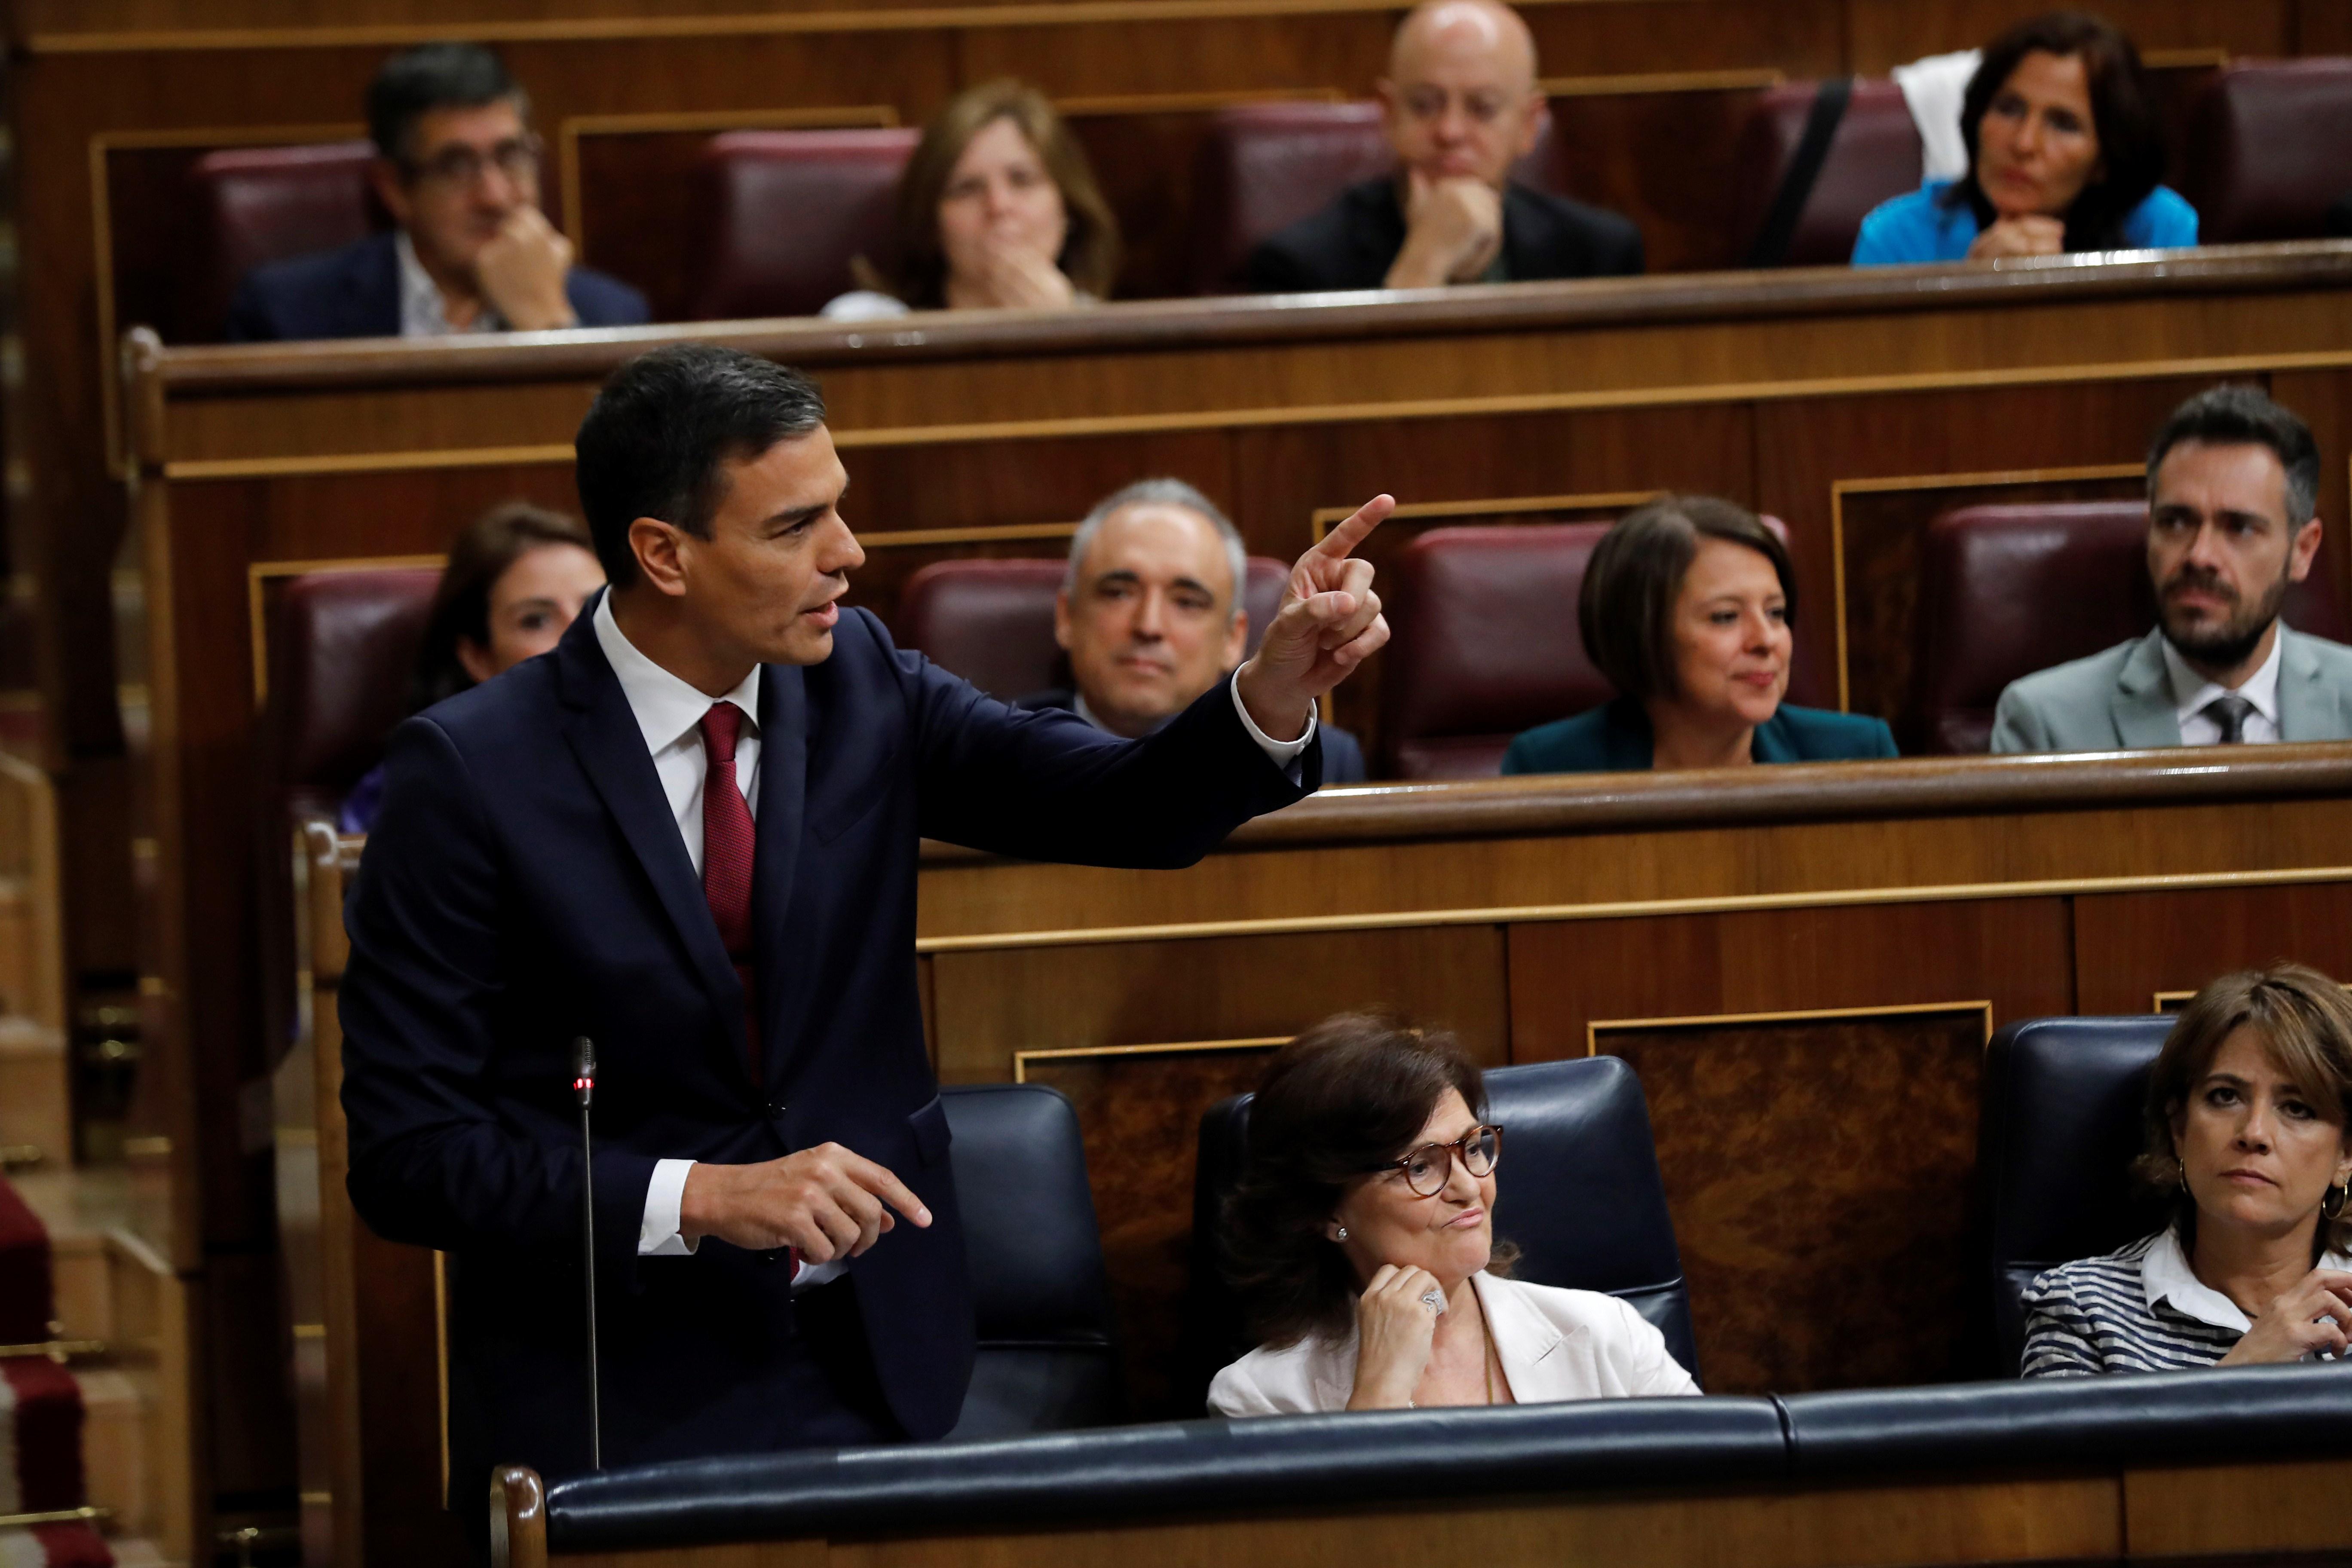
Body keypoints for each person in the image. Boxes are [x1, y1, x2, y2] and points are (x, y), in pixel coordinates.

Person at [337, 343, 1395, 1508]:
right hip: (615, 1385)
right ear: (663, 554)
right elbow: (409, 1159)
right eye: (797, 526)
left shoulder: (861, 684)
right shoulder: (470, 774)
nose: (849, 554)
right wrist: (698, 1195)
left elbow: (1127, 806)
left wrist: (1273, 692)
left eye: (838, 510)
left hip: (877, 1354)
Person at [1209, 1015, 1697, 1414]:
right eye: (1420, 1166)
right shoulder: (1261, 1399)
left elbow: (1719, 1508)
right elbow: (1339, 1539)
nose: (1469, 1187)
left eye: (1472, 1148)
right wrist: (1378, 1395)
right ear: (1323, 1208)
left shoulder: (1608, 1335)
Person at [2022, 964, 2352, 1375]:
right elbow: (2064, 1442)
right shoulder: (2082, 1310)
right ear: (2179, 1129)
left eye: (2297, 1108)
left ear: (2346, 1155)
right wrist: (2244, 1372)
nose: (2254, 1133)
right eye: (2225, 1096)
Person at [1992, 386, 2352, 752]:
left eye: (2240, 528)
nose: (2200, 556)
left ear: (2302, 551)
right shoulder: (2046, 724)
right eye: (2176, 523)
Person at [226, 43, 648, 341]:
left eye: (510, 156)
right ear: (395, 189)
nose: (495, 197)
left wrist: (549, 327)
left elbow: (626, 467)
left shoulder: (614, 315)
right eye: (456, 167)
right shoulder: (286, 318)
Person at [1242, 0, 1643, 294]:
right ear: (1389, 114)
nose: (1450, 131)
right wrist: (1422, 268)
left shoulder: (1600, 256)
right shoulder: (1298, 266)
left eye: (1483, 109)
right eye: (1424, 105)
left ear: (1528, 125)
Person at [1501, 497, 1896, 773]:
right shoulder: (1553, 766)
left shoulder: (1856, 755)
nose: (1766, 640)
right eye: (1725, 617)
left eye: (1775, 613)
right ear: (1645, 632)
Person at [1019, 479, 1368, 783]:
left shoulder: (1325, 760)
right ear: (1067, 617)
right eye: (1118, 593)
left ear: (1233, 639)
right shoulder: (996, 747)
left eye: (1187, 602)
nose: (1149, 626)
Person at [338, 501, 604, 834]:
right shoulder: (429, 781)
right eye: (536, 620)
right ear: (478, 657)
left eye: (599, 608)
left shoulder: (671, 751)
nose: (583, 633)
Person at [1852, 12, 2196, 266]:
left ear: (2104, 162)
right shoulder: (1895, 239)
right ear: (1977, 119)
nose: (2024, 144)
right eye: (2009, 108)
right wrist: (1967, 294)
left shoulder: (2160, 229)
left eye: (2064, 124)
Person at [821, 81, 1120, 320]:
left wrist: (1064, 331)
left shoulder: (1116, 335)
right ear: (931, 221)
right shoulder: (866, 325)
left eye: (1022, 180)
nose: (998, 205)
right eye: (966, 189)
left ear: (1068, 209)